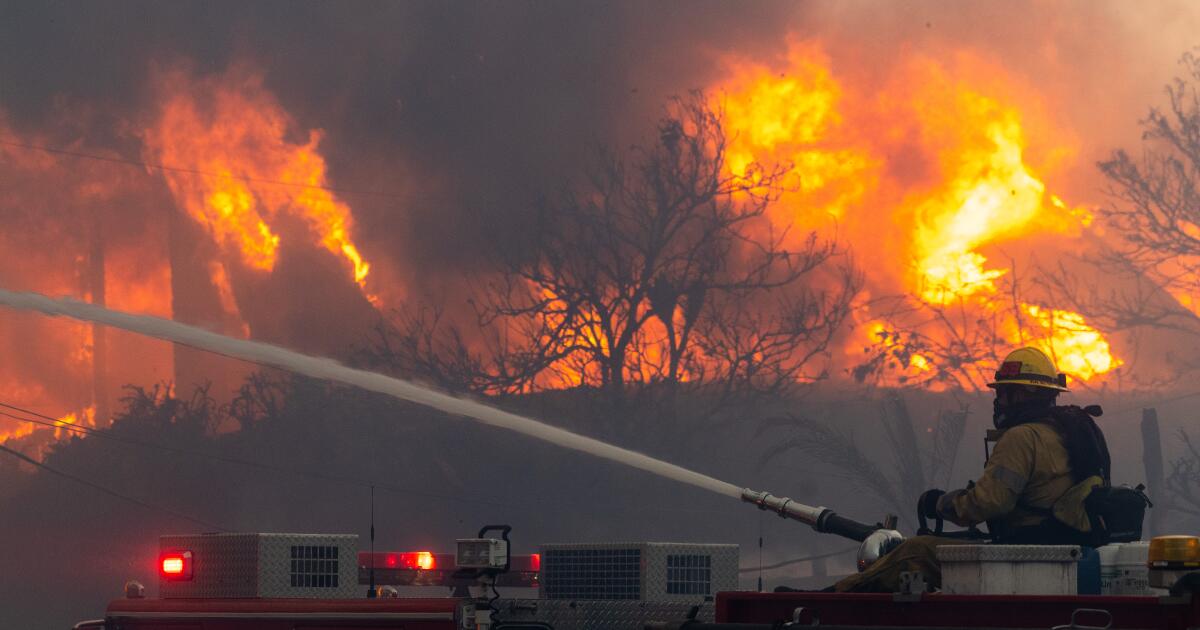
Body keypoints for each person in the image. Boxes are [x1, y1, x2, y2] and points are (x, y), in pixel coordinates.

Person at [832, 347, 1108, 593]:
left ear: (1023, 394)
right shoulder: (1072, 432)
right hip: (1062, 551)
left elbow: (990, 503)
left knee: (916, 551)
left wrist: (942, 503)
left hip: (1023, 553)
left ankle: (832, 598)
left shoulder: (1021, 437)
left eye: (1004, 392)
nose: (999, 400)